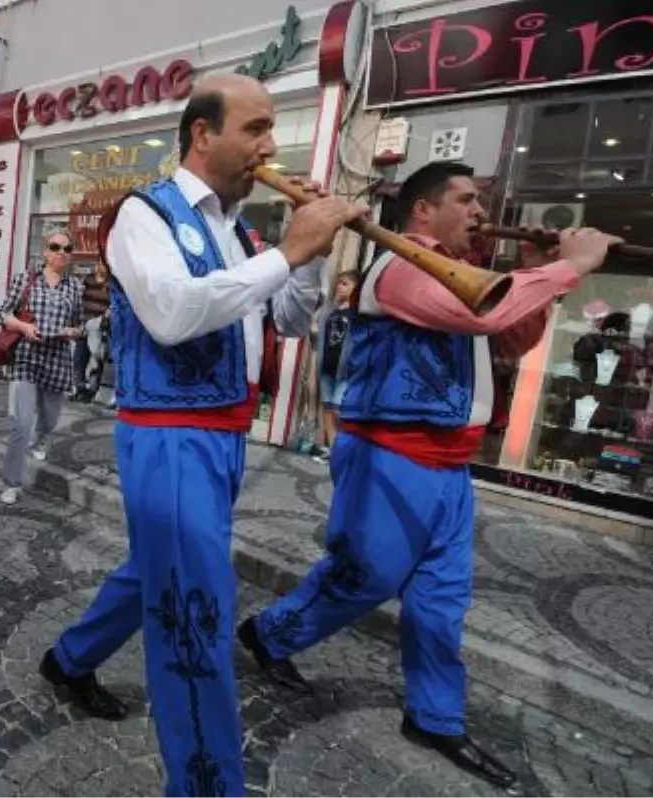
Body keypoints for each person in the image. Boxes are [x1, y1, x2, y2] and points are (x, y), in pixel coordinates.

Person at [238, 161, 620, 790]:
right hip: (388, 456)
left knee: (442, 602)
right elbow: (482, 317)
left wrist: (543, 280)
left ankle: (435, 717)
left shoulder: (463, 271)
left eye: (481, 202)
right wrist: (568, 266)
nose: (478, 212)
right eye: (467, 200)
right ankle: (269, 634)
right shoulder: (402, 264)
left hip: (450, 466)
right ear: (423, 209)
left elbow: (509, 334)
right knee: (363, 580)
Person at [39, 74, 363, 796]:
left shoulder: (238, 227)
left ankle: (69, 658)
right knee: (196, 614)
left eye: (271, 129)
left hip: (223, 436)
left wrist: (303, 255)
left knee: (156, 570)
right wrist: (286, 254)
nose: (270, 145)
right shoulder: (142, 216)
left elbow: (285, 319)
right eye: (255, 128)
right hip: (169, 435)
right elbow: (173, 314)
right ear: (202, 134)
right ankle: (207, 784)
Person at [0, 231, 85, 505]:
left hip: (57, 359)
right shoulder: (26, 279)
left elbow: (81, 325)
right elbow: (4, 313)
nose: (61, 252)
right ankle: (12, 483)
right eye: (55, 247)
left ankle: (39, 438)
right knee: (20, 424)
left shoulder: (75, 287)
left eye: (67, 248)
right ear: (44, 251)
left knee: (48, 420)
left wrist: (74, 331)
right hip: (26, 357)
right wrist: (23, 327)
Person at [312, 270, 358, 457]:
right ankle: (333, 450)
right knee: (328, 408)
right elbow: (315, 326)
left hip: (344, 369)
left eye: (345, 283)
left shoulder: (356, 313)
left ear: (356, 289)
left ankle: (343, 450)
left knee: (339, 409)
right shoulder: (330, 309)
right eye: (339, 283)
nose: (340, 287)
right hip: (326, 365)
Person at [71, 254, 111, 403]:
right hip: (84, 325)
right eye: (100, 263)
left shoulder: (111, 284)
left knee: (96, 360)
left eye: (105, 264)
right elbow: (80, 298)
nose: (101, 266)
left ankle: (92, 393)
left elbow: (113, 305)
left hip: (99, 328)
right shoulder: (89, 279)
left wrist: (108, 313)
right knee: (79, 359)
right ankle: (80, 390)